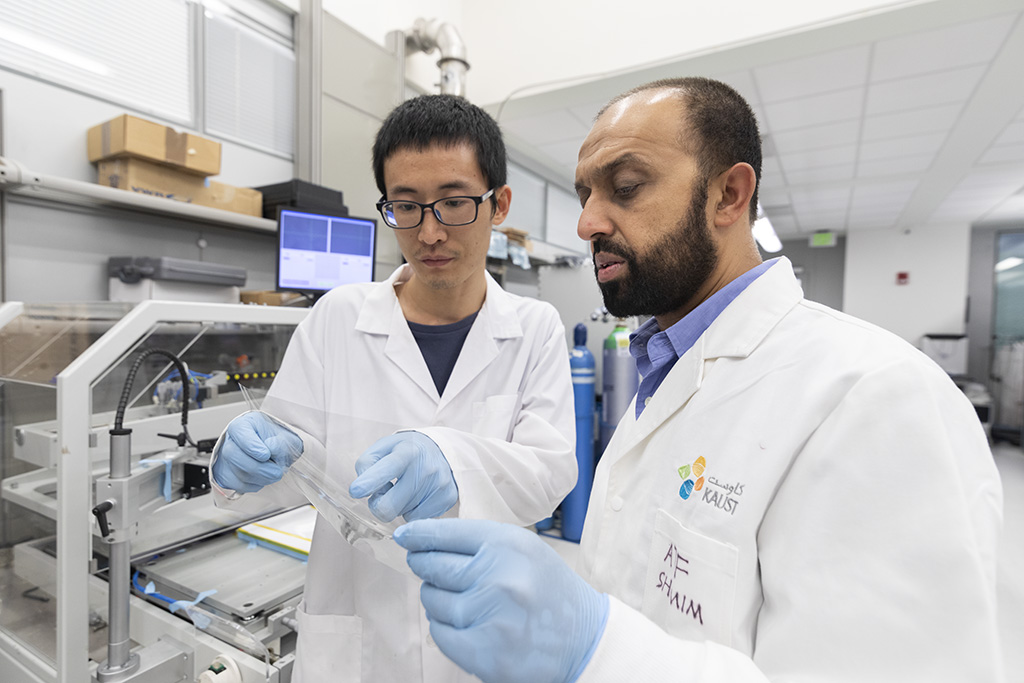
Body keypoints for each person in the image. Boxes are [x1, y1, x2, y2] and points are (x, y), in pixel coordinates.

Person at [393, 77, 1005, 682]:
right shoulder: (664, 371)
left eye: (625, 188)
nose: (587, 224)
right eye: (585, 195)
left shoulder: (876, 395)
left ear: (729, 196)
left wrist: (596, 650)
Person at [209, 94, 577, 682]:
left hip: (482, 634)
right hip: (356, 639)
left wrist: (454, 462)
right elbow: (284, 471)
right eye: (406, 207)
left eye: (454, 203)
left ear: (498, 203)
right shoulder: (336, 317)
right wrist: (239, 460)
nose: (429, 232)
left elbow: (548, 475)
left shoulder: (534, 328)